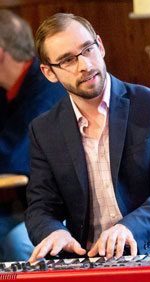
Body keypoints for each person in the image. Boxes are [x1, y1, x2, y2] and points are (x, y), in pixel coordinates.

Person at [25, 13, 150, 262]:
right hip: (91, 261)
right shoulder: (43, 129)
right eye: (67, 60)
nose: (85, 65)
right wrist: (54, 231)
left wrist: (129, 227)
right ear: (49, 72)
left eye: (88, 49)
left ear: (101, 45)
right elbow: (41, 205)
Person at [0, 10, 66, 261]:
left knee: (13, 239)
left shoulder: (45, 88)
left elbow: (13, 157)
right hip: (35, 206)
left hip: (67, 208)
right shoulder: (8, 89)